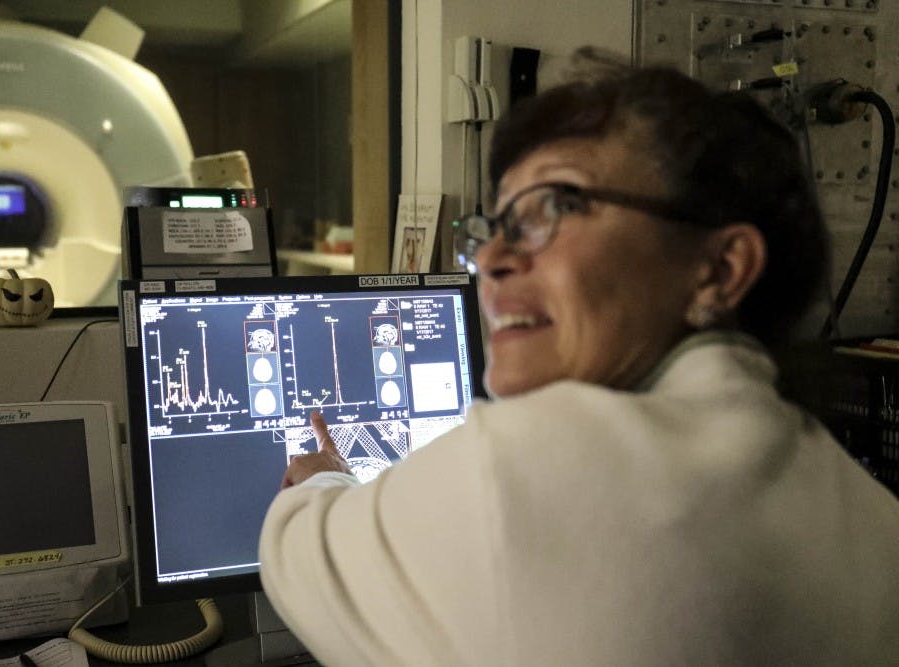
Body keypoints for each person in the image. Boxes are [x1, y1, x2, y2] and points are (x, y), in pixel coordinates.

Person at [258, 54, 899, 666]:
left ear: (720, 269)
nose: (491, 259)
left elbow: (299, 553)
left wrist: (321, 479)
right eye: (497, 227)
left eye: (558, 207)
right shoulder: (863, 509)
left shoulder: (536, 463)